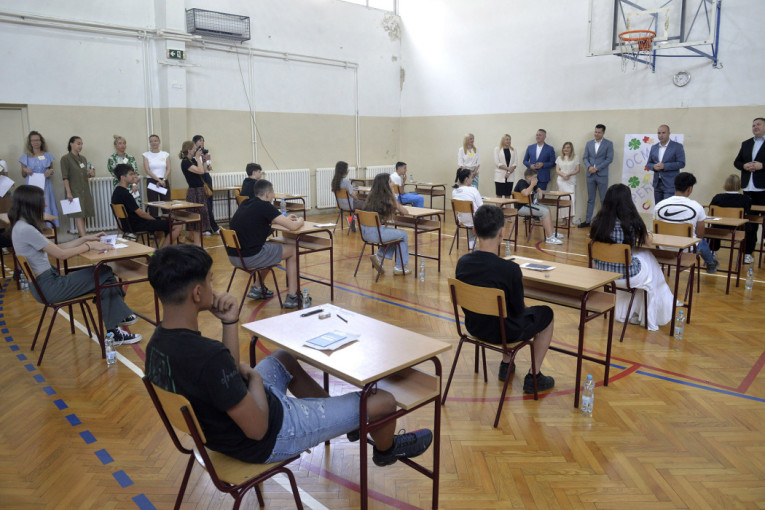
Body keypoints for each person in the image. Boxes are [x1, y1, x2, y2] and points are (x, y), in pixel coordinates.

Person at [144, 244, 432, 466]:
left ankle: (349, 419)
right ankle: (386, 450)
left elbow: (225, 379)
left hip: (228, 430)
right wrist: (256, 380)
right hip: (272, 435)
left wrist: (230, 322)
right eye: (210, 281)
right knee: (384, 400)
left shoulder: (156, 346)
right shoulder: (209, 357)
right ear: (197, 294)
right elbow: (258, 429)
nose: (214, 287)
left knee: (283, 358)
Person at [10, 184, 141, 344]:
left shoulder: (20, 226)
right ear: (31, 204)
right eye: (42, 201)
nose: (45, 205)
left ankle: (115, 328)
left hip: (44, 285)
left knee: (103, 277)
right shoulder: (27, 229)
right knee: (103, 272)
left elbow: (57, 247)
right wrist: (90, 246)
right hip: (49, 287)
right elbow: (61, 255)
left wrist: (85, 238)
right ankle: (118, 320)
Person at [455, 204, 555, 390]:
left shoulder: (462, 263)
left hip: (474, 327)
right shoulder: (510, 269)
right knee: (546, 314)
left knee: (502, 314)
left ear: (475, 230)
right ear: (502, 232)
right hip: (505, 333)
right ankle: (534, 376)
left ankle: (506, 364)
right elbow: (518, 311)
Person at [591, 184, 676, 331]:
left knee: (638, 255)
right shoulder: (630, 223)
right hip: (626, 277)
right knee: (648, 258)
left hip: (602, 275)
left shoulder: (596, 222)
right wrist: (646, 231)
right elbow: (649, 242)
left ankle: (633, 311)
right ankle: (656, 311)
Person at [229, 179, 304, 308]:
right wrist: (300, 221)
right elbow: (293, 227)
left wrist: (283, 219)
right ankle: (293, 296)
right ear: (268, 193)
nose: (274, 196)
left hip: (235, 256)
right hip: (250, 258)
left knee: (270, 246)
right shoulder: (265, 206)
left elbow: (259, 219)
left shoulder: (245, 203)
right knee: (292, 250)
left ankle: (258, 288)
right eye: (273, 192)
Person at [654, 172, 718, 273]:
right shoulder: (697, 207)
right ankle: (710, 263)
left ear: (674, 186)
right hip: (686, 251)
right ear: (690, 189)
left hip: (663, 249)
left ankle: (710, 262)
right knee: (701, 240)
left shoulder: (659, 205)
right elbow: (700, 234)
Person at [111, 164, 182, 248]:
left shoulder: (117, 192)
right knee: (178, 225)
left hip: (127, 224)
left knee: (161, 222)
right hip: (136, 224)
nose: (134, 176)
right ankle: (164, 250)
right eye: (131, 174)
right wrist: (154, 220)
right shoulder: (125, 194)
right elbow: (141, 213)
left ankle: (154, 250)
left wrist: (157, 220)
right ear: (123, 177)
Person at [362, 173, 411, 275]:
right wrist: (393, 195)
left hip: (365, 233)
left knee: (394, 235)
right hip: (376, 234)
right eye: (390, 182)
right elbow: (405, 212)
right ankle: (400, 267)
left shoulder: (371, 197)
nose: (393, 183)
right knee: (403, 235)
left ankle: (379, 256)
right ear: (385, 185)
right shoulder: (388, 198)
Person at [733, 117, 765, 264]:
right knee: (750, 223)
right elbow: (737, 162)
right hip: (748, 188)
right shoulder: (746, 143)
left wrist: (762, 166)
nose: (755, 127)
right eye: (753, 125)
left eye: (758, 124)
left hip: (763, 189)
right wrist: (744, 166)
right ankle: (748, 252)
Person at [709, 174, 757, 264]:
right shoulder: (746, 199)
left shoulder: (717, 197)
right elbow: (747, 211)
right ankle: (747, 254)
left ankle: (712, 252)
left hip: (719, 226)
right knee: (751, 230)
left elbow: (711, 209)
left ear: (726, 184)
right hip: (738, 228)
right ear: (739, 185)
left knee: (713, 227)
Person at [18, 131, 59, 226]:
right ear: (30, 143)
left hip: (46, 185)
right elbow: (23, 175)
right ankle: (34, 228)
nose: (35, 142)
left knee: (46, 205)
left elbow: (52, 169)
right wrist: (25, 170)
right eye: (33, 140)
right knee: (33, 206)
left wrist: (50, 171)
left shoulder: (48, 155)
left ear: (41, 141)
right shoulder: (25, 156)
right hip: (31, 186)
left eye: (37, 140)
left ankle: (48, 228)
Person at [514, 168, 564, 245]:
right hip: (521, 207)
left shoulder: (532, 185)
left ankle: (552, 233)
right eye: (534, 177)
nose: (536, 179)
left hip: (529, 205)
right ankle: (550, 238)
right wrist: (532, 185)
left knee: (547, 209)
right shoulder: (522, 182)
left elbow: (539, 191)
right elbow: (525, 193)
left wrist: (539, 191)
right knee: (545, 211)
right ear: (528, 177)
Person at [61, 136, 95, 238]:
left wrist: (90, 174)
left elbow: (85, 177)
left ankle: (82, 236)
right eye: (78, 143)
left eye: (81, 144)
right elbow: (65, 177)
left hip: (84, 190)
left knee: (83, 214)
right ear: (71, 144)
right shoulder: (65, 159)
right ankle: (84, 238)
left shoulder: (83, 159)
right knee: (78, 215)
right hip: (74, 190)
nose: (80, 146)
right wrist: (68, 192)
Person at [579, 124, 614, 228]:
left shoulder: (608, 144)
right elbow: (585, 158)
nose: (596, 134)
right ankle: (588, 221)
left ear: (603, 133)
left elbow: (609, 159)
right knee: (591, 199)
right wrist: (589, 167)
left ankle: (605, 222)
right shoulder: (589, 143)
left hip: (602, 174)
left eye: (599, 132)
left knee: (603, 199)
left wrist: (597, 168)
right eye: (595, 132)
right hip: (590, 174)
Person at [179, 140, 211, 246]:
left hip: (200, 190)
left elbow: (204, 171)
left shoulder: (192, 160)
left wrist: (204, 160)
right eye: (194, 148)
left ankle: (194, 242)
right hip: (194, 192)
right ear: (189, 150)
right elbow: (200, 171)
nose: (196, 150)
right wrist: (198, 158)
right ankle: (197, 244)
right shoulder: (185, 162)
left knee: (202, 216)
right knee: (196, 217)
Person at [646, 125, 686, 203]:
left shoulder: (677, 146)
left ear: (669, 133)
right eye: (659, 133)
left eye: (663, 133)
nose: (661, 135)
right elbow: (649, 163)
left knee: (668, 207)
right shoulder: (654, 147)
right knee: (658, 207)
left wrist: (665, 166)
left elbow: (681, 163)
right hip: (657, 184)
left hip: (671, 184)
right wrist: (653, 167)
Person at [192, 135, 219, 236]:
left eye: (203, 141)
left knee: (209, 203)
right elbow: (198, 169)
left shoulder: (206, 153)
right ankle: (206, 228)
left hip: (207, 177)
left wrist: (209, 166)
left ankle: (212, 227)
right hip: (199, 178)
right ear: (195, 143)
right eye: (200, 141)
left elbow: (207, 167)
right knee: (203, 204)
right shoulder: (193, 154)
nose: (202, 142)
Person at [452, 168, 483, 249]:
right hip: (474, 220)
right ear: (466, 179)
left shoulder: (454, 191)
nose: (472, 179)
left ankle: (471, 244)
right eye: (471, 177)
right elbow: (481, 206)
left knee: (471, 217)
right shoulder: (473, 190)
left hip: (461, 220)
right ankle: (485, 244)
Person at [330, 160, 365, 232]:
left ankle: (353, 220)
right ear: (344, 170)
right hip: (351, 204)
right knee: (366, 204)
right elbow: (352, 194)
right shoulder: (346, 181)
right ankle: (363, 224)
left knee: (360, 204)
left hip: (342, 205)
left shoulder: (335, 181)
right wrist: (358, 198)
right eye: (347, 168)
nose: (348, 170)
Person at [107, 135, 140, 207]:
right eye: (120, 143)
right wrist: (127, 179)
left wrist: (134, 184)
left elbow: (135, 172)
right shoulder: (112, 158)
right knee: (123, 207)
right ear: (115, 145)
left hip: (132, 186)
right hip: (120, 186)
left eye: (124, 143)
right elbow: (115, 174)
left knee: (135, 207)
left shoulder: (131, 158)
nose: (122, 145)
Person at [142, 134, 171, 217]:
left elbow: (168, 168)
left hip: (164, 181)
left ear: (159, 142)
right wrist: (158, 180)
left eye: (155, 141)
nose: (154, 143)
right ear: (149, 143)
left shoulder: (165, 154)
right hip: (152, 181)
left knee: (166, 205)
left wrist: (163, 180)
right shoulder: (146, 155)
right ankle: (154, 224)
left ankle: (166, 224)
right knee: (153, 206)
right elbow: (147, 170)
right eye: (151, 141)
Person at [555, 141, 581, 226]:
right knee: (562, 200)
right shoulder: (559, 158)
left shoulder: (575, 157)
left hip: (571, 181)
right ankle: (563, 220)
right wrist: (563, 175)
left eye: (568, 147)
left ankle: (570, 221)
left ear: (571, 149)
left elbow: (577, 170)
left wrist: (569, 174)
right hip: (561, 180)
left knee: (571, 200)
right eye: (564, 147)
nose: (566, 149)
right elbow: (557, 170)